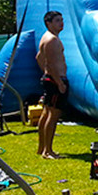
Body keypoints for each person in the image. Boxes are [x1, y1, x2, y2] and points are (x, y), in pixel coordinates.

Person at [36, 10, 68, 160]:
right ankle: (48, 151)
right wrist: (58, 81)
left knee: (46, 113)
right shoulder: (52, 40)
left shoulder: (47, 38)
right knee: (53, 115)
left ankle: (42, 147)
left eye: (61, 20)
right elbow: (49, 63)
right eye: (57, 21)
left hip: (50, 79)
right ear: (48, 23)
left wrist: (46, 73)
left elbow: (39, 58)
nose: (61, 23)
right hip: (55, 80)